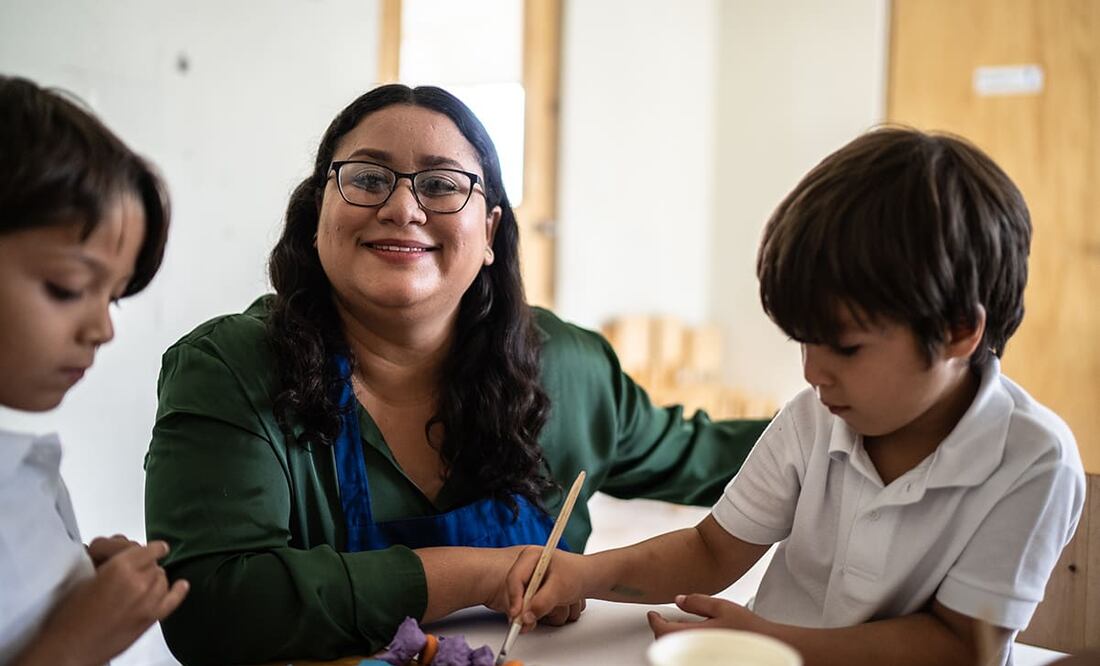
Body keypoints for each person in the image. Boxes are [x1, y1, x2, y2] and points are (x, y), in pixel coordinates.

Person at [143, 83, 770, 665]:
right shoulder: (230, 370)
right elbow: (212, 606)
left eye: (442, 185)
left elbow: (739, 459)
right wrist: (483, 573)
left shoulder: (568, 366)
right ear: (316, 216)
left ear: (490, 229)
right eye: (367, 178)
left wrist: (849, 419)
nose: (403, 208)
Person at [501, 127, 1086, 666]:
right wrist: (582, 575)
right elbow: (711, 550)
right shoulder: (814, 418)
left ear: (959, 331)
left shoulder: (1034, 459)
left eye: (846, 348)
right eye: (801, 342)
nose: (813, 373)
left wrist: (766, 638)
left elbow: (959, 647)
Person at [0, 75, 187, 664]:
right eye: (68, 287)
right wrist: (73, 643)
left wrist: (71, 574)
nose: (103, 329)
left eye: (113, 297)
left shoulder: (24, 474)